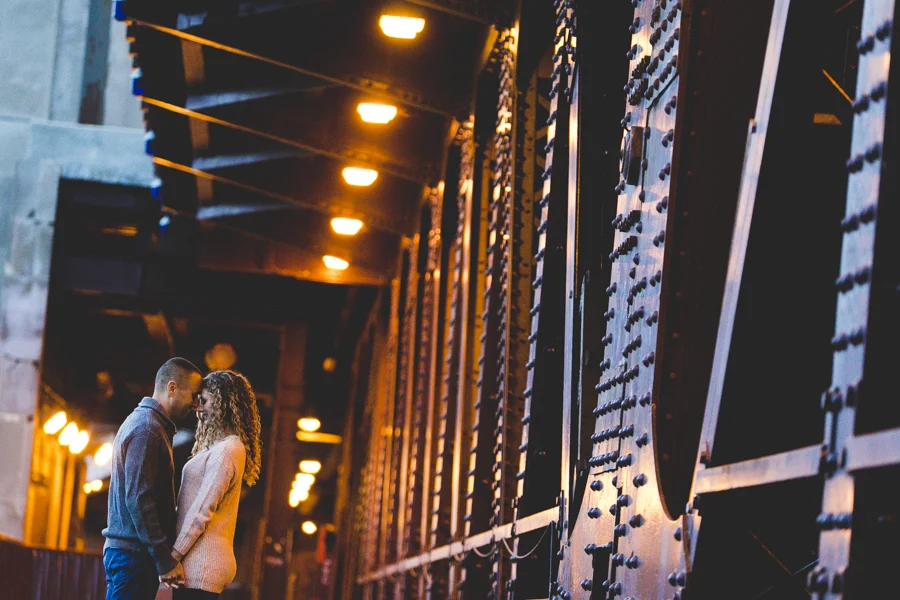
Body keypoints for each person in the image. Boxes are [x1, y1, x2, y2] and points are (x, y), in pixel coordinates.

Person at [103, 358, 203, 599]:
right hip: (132, 556)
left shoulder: (150, 425)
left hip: (131, 555)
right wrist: (163, 559)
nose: (196, 404)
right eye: (193, 395)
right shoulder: (147, 429)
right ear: (172, 388)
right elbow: (139, 499)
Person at [169, 370, 262, 599]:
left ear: (224, 404)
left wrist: (173, 555)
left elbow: (202, 509)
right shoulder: (220, 447)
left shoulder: (228, 450)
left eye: (205, 401)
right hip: (197, 561)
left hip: (202, 564)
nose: (198, 408)